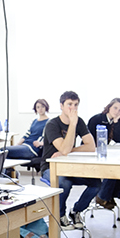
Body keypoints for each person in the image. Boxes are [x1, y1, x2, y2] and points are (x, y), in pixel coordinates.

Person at [41, 91, 102, 229]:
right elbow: (63, 149)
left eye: (75, 105)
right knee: (64, 182)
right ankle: (60, 215)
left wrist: (70, 150)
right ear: (61, 106)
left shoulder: (79, 121)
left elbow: (91, 146)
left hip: (69, 166)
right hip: (50, 168)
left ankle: (76, 211)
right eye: (69, 104)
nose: (73, 108)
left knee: (96, 184)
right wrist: (72, 126)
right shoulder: (52, 125)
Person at [87, 97, 120, 209]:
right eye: (115, 108)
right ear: (109, 107)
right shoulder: (96, 119)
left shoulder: (116, 122)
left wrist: (116, 123)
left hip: (107, 153)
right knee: (113, 168)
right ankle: (102, 197)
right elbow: (90, 140)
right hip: (93, 153)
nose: (117, 112)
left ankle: (109, 196)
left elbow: (119, 139)